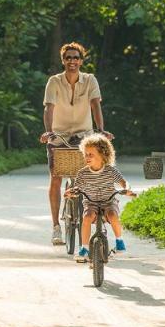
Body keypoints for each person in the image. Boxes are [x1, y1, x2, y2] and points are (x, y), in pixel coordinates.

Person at [39, 42, 109, 245]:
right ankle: (56, 227)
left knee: (91, 176)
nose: (72, 61)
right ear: (63, 60)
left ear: (81, 60)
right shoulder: (54, 82)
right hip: (59, 134)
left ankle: (95, 218)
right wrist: (49, 131)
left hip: (83, 134)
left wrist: (101, 129)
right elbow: (48, 108)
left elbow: (95, 105)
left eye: (76, 57)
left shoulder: (90, 80)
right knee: (56, 178)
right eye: (68, 57)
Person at [66, 133, 131, 262]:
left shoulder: (111, 171)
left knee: (112, 215)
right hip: (91, 202)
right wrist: (72, 191)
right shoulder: (83, 173)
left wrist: (127, 189)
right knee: (87, 217)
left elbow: (123, 182)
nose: (87, 157)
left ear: (103, 155)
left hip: (108, 201)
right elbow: (78, 187)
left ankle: (119, 241)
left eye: (91, 154)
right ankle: (84, 248)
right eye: (86, 154)